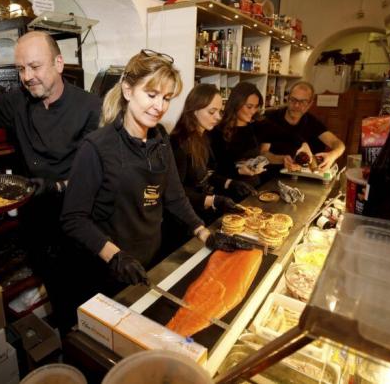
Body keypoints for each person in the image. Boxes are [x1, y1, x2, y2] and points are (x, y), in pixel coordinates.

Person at [0, 30, 102, 334]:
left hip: (79, 225)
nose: (27, 76)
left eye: (35, 67)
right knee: (63, 308)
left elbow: (94, 176)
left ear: (59, 63)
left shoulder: (91, 107)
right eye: (21, 69)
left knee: (93, 307)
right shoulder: (17, 102)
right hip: (38, 224)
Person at [61, 50, 254, 299]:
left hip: (151, 258)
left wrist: (204, 233)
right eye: (151, 95)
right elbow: (73, 218)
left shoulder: (160, 139)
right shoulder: (96, 147)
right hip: (110, 267)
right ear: (128, 91)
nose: (160, 107)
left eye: (166, 98)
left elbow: (174, 196)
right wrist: (115, 256)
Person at [169, 84, 250, 224]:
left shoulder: (204, 136)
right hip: (183, 220)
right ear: (194, 111)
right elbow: (176, 192)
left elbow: (206, 173)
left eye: (220, 111)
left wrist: (230, 183)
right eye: (212, 112)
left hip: (201, 211)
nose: (218, 117)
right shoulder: (178, 143)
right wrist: (212, 200)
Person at [210, 82, 302, 193]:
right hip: (229, 190)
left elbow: (288, 136)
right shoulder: (217, 130)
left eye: (256, 107)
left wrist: (298, 148)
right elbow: (213, 171)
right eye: (249, 107)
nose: (253, 111)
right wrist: (238, 171)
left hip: (255, 187)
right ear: (236, 104)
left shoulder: (258, 124)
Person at [261, 81, 345, 172]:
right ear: (287, 98)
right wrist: (282, 159)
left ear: (310, 104)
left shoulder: (312, 122)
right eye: (293, 100)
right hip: (272, 175)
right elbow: (264, 153)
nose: (296, 105)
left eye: (303, 102)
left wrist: (332, 155)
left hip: (301, 177)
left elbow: (339, 144)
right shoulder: (272, 118)